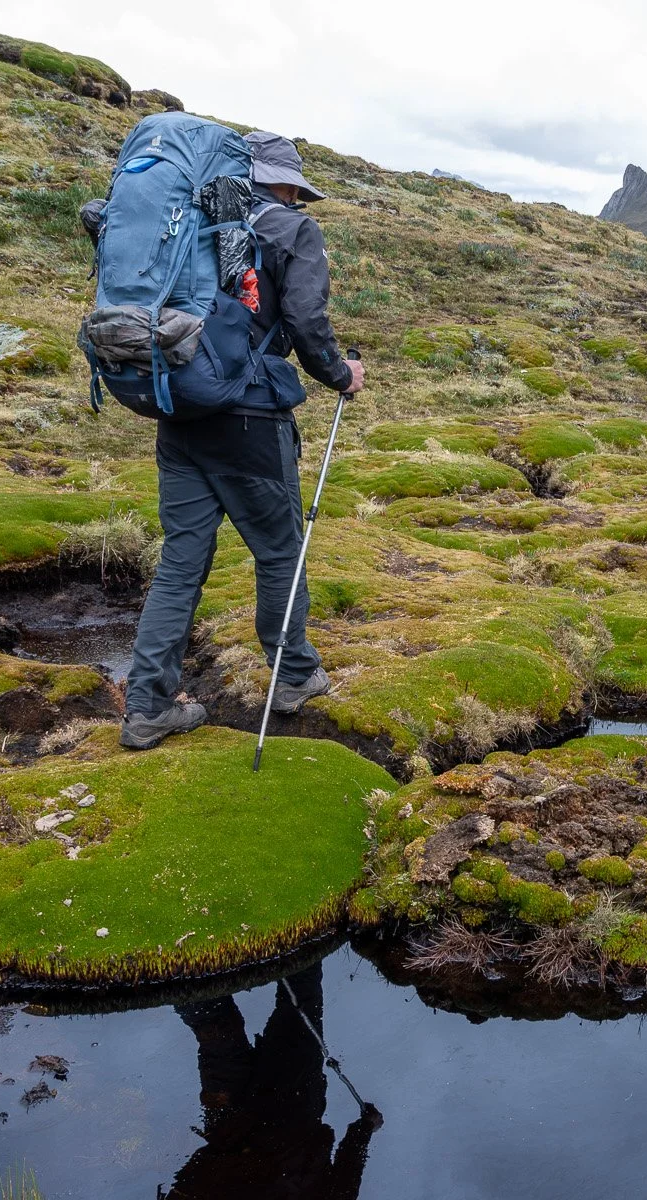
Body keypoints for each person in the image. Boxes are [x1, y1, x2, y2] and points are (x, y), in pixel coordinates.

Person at [119, 131, 367, 751]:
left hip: (182, 410)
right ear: (285, 185)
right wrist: (342, 374)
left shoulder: (190, 217)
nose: (299, 200)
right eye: (297, 191)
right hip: (252, 420)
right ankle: (295, 679)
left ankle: (148, 705)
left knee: (180, 566)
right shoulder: (292, 231)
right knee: (280, 550)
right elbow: (308, 324)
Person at [153, 964, 381, 1200]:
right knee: (218, 1031)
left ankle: (294, 941)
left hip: (288, 1108)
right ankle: (183, 966)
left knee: (300, 1001)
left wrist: (363, 1129)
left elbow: (345, 1179)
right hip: (228, 1123)